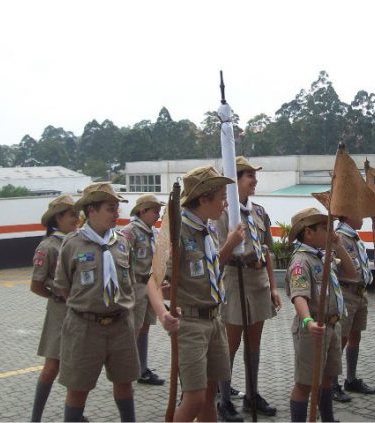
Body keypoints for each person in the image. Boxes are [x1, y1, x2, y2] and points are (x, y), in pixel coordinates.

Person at [147, 166, 245, 422]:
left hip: (215, 320)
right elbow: (153, 281)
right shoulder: (177, 233)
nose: (225, 204)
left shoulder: (207, 229)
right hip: (190, 324)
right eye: (222, 197)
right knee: (194, 398)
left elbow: (208, 271)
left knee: (209, 396)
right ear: (203, 199)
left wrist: (230, 245)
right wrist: (162, 313)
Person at [53, 182, 139, 422]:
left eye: (117, 208)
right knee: (78, 388)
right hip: (85, 327)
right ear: (91, 211)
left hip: (120, 325)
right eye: (110, 208)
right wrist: (88, 307)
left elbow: (128, 281)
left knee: (124, 383)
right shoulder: (72, 244)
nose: (116, 214)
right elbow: (64, 285)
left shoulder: (122, 242)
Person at [216, 157, 281, 421]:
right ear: (235, 179)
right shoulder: (222, 213)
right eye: (249, 175)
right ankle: (223, 399)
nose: (254, 180)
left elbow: (267, 251)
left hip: (258, 281)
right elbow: (218, 252)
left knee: (254, 343)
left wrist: (274, 287)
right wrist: (233, 245)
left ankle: (252, 393)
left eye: (254, 175)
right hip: (234, 277)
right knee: (230, 344)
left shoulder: (259, 212)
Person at [285, 207, 356, 422]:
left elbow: (352, 272)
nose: (330, 232)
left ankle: (327, 418)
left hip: (332, 326)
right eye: (325, 229)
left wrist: (337, 244)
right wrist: (307, 321)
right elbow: (299, 296)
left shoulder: (323, 256)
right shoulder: (301, 261)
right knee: (305, 383)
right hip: (313, 328)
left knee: (327, 377)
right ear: (308, 232)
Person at [30, 195, 80, 422]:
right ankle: (36, 417)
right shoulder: (48, 246)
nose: (77, 219)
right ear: (58, 218)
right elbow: (36, 285)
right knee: (52, 366)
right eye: (71, 215)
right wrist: (57, 297)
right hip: (61, 312)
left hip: (81, 311)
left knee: (78, 365)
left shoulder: (77, 241)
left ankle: (75, 413)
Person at [120, 194, 166, 386]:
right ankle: (128, 370)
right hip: (136, 286)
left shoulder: (152, 232)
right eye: (154, 210)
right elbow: (122, 260)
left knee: (145, 327)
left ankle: (142, 368)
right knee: (134, 329)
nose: (158, 214)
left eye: (159, 211)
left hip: (151, 286)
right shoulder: (130, 232)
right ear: (142, 211)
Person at [332, 213, 375, 402]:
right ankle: (332, 382)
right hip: (346, 291)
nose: (362, 217)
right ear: (348, 216)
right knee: (340, 339)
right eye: (358, 213)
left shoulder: (354, 236)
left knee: (355, 335)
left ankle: (351, 378)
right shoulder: (339, 237)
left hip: (360, 292)